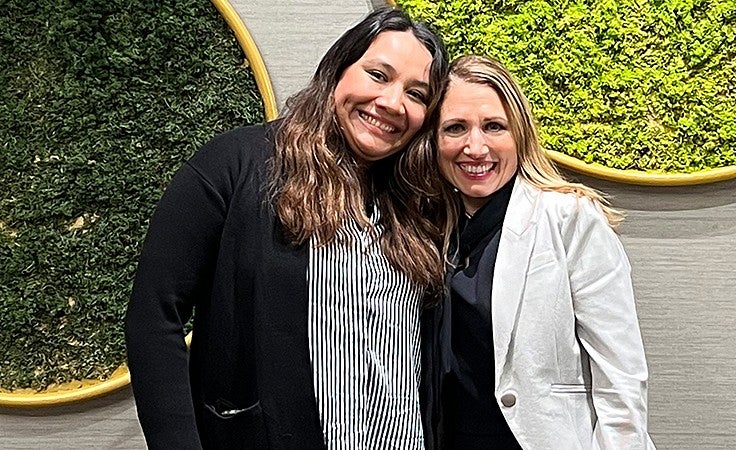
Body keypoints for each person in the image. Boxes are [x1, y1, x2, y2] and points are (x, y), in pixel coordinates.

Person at [124, 8, 448, 449]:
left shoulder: (414, 204)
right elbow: (153, 315)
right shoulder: (236, 165)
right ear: (337, 69)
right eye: (377, 75)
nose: (392, 102)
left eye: (416, 93)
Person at [420, 55, 656, 449]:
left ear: (520, 135)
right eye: (455, 128)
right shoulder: (421, 225)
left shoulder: (569, 217)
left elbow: (621, 371)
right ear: (434, 140)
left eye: (494, 126)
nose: (475, 147)